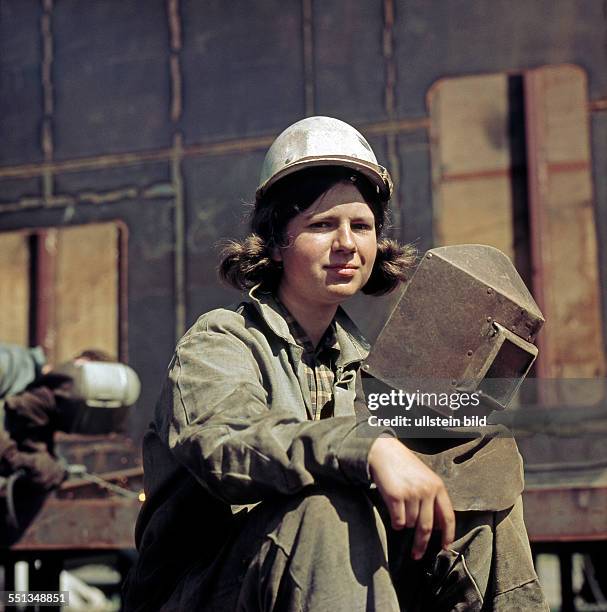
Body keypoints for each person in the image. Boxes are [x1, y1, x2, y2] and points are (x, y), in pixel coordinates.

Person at [124, 116, 548, 611]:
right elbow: (225, 441)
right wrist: (368, 449)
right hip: (207, 590)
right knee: (326, 511)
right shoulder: (220, 341)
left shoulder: (368, 366)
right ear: (278, 242)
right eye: (322, 224)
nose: (347, 243)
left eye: (361, 226)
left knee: (480, 469)